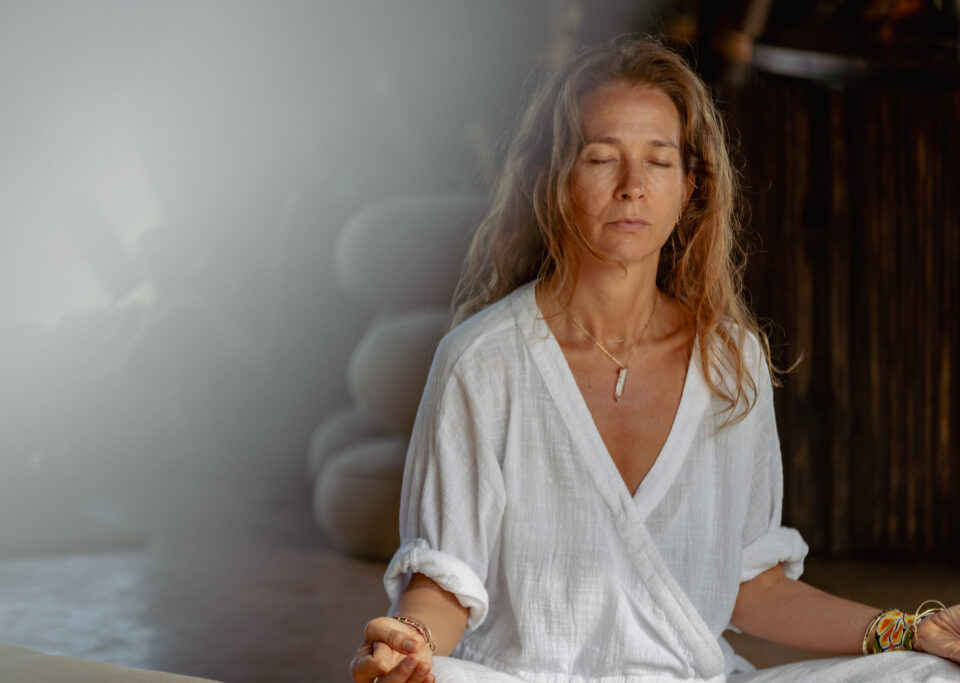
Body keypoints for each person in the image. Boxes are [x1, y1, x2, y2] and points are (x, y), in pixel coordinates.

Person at [349, 36, 960, 683]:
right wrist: (412, 643)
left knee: (933, 673)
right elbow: (443, 580)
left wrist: (909, 630)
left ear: (690, 186)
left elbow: (752, 585)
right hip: (525, 679)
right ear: (552, 178)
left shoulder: (733, 361)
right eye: (601, 158)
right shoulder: (482, 360)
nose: (632, 187)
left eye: (659, 161)